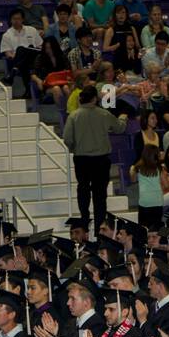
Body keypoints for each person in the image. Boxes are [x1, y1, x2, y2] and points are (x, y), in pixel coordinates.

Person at [63, 86, 127, 231]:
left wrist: (75, 148)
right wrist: (123, 117)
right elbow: (119, 128)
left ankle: (84, 221)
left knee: (83, 189)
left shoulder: (74, 115)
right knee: (100, 194)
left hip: (82, 159)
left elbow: (67, 138)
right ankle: (99, 227)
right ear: (94, 99)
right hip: (101, 160)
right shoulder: (104, 114)